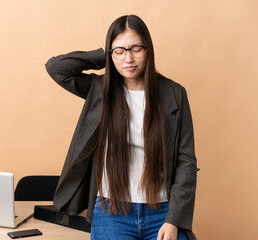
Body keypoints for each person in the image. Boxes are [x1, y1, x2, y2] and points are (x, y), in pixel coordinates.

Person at [45, 15, 198, 240]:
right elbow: (57, 68)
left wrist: (174, 219)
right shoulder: (100, 89)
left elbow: (186, 161)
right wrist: (106, 54)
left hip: (162, 212)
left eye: (136, 48)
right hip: (112, 211)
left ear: (148, 50)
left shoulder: (174, 94)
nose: (129, 58)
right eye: (119, 51)